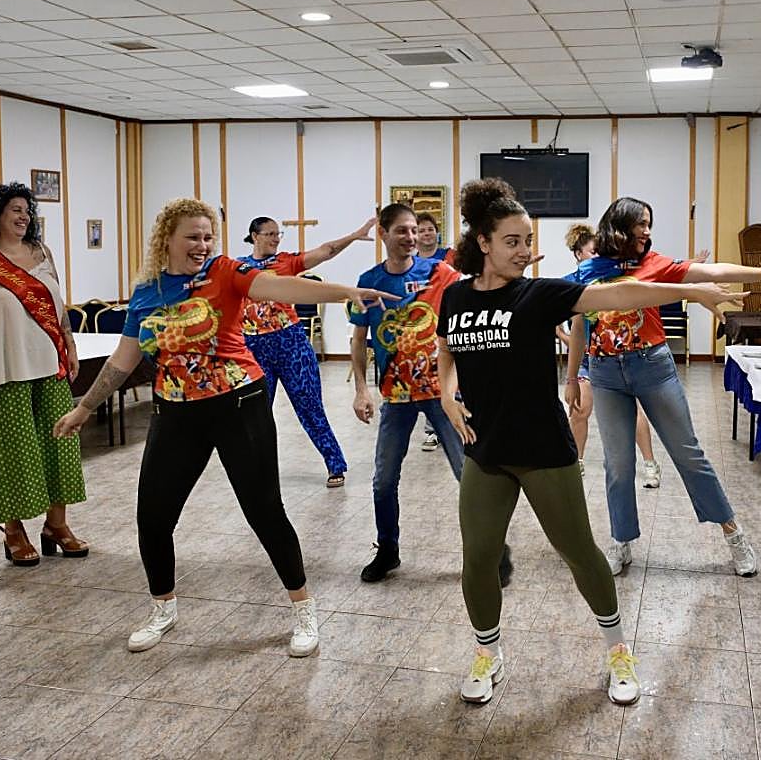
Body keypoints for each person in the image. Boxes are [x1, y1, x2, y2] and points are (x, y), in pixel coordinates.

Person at [436, 178, 744, 706]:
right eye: (512, 241)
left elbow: (618, 292)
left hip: (543, 452)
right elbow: (445, 350)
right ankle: (488, 652)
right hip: (484, 452)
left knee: (578, 551)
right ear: (482, 242)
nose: (524, 251)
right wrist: (445, 394)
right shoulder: (457, 296)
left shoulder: (538, 294)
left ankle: (618, 649)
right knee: (479, 557)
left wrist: (690, 290)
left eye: (527, 240)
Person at [52, 197, 397, 657]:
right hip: (175, 412)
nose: (201, 245)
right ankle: (163, 607)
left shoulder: (224, 272)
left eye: (207, 236)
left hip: (239, 404)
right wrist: (85, 407)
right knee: (153, 516)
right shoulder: (147, 292)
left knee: (264, 511)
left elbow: (281, 288)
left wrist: (343, 294)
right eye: (192, 237)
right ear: (167, 239)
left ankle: (303, 607)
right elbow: (123, 359)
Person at [567, 197, 761, 577]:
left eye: (650, 223)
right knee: (617, 465)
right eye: (641, 224)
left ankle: (733, 534)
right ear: (620, 226)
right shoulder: (589, 271)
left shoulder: (654, 264)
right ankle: (621, 541)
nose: (647, 231)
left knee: (688, 455)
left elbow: (711, 270)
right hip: (604, 372)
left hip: (651, 366)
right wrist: (570, 378)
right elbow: (582, 325)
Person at [350, 203, 514, 584]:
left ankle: (493, 552)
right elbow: (359, 340)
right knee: (383, 480)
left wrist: (507, 270)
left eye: (414, 230)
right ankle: (387, 549)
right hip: (396, 394)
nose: (409, 237)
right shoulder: (369, 281)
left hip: (443, 392)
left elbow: (479, 284)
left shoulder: (439, 273)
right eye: (402, 231)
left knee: (469, 474)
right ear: (383, 233)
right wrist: (361, 389)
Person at [0, 182, 87, 566]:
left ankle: (56, 525)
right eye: (15, 209)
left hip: (50, 364)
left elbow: (57, 301)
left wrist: (70, 345)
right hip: (1, 370)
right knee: (11, 452)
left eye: (27, 209)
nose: (24, 215)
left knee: (59, 445)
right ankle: (13, 530)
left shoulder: (41, 252)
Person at [237, 215, 376, 488]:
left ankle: (335, 464)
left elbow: (326, 251)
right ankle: (259, 469)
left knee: (310, 408)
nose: (276, 238)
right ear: (254, 235)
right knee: (257, 413)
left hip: (291, 345)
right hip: (254, 346)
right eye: (270, 234)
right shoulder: (238, 268)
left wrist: (353, 235)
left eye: (278, 234)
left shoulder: (286, 262)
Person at [555, 224, 661, 487]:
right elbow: (564, 327)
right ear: (579, 254)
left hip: (616, 358)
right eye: (593, 252)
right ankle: (574, 465)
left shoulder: (613, 279)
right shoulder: (572, 282)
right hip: (586, 362)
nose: (600, 257)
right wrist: (567, 340)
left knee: (632, 411)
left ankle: (650, 464)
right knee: (579, 411)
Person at [415, 211, 450, 451]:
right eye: (421, 230)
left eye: (430, 229)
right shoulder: (411, 261)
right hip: (422, 327)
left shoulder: (449, 256)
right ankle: (432, 430)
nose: (427, 233)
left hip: (450, 320)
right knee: (430, 376)